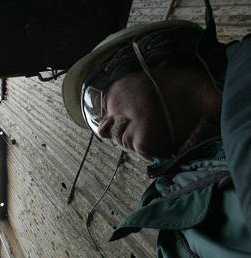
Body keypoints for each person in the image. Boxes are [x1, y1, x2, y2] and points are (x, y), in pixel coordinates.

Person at [61, 3, 251, 258]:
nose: (103, 130)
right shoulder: (176, 223)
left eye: (99, 102)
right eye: (95, 122)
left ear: (152, 57)